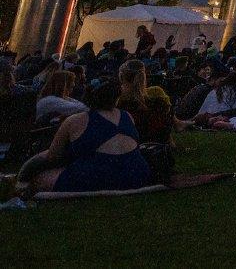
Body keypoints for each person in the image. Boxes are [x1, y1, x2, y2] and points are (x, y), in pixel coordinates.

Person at [20, 81, 152, 196]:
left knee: (41, 179)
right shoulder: (127, 116)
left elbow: (53, 156)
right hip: (136, 172)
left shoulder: (75, 120)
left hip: (95, 175)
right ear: (116, 98)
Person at [116, 60, 174, 146]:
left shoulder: (118, 100)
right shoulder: (158, 100)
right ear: (143, 76)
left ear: (121, 77)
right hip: (156, 142)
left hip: (130, 143)